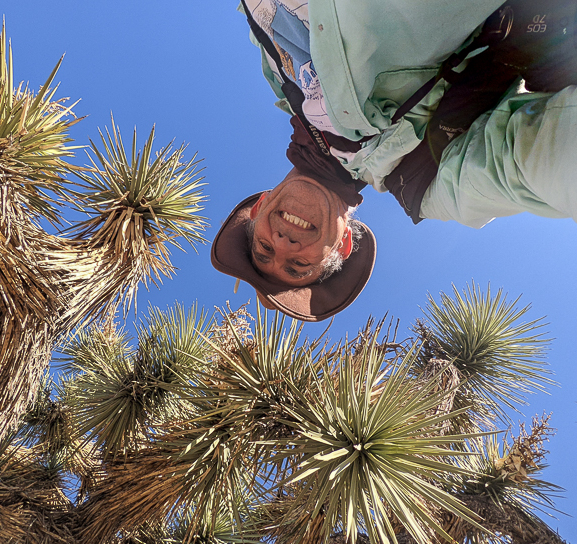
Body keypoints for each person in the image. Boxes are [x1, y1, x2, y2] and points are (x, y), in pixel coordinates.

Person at [211, 0, 577, 321]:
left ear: (259, 207)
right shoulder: (422, 179)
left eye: (264, 249)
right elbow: (528, 164)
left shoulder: (282, 82)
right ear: (343, 246)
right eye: (299, 265)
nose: (284, 246)